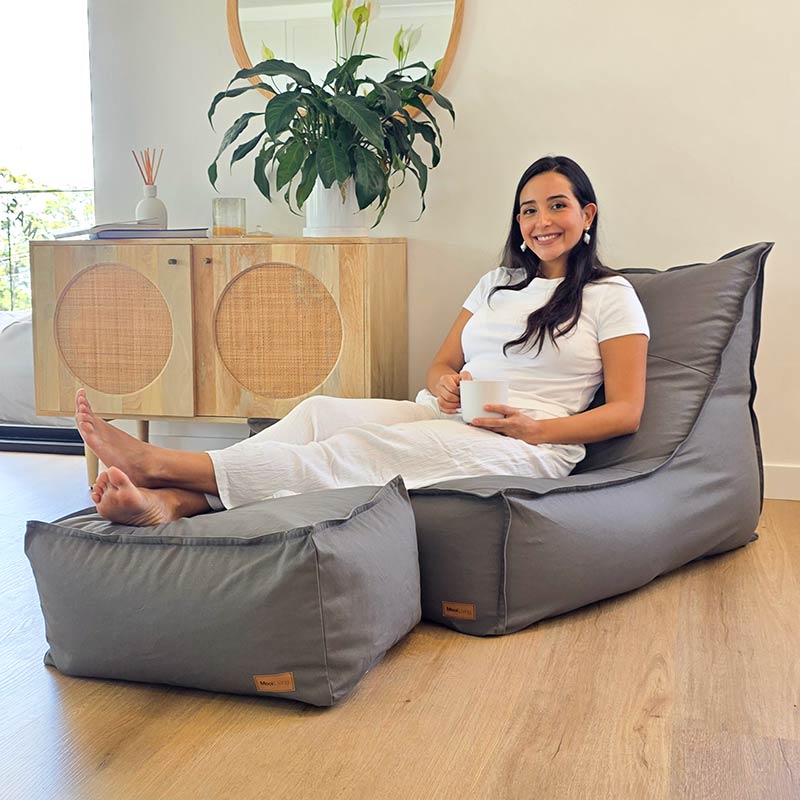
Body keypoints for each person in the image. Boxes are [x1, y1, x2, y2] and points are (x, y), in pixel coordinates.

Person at [76, 155, 649, 527]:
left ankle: (162, 466)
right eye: (529, 210)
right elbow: (440, 364)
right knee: (320, 413)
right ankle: (173, 503)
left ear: (587, 214)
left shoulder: (610, 295)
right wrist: (446, 386)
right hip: (449, 416)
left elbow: (626, 411)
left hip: (531, 444)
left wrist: (535, 430)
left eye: (557, 206)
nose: (542, 221)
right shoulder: (495, 283)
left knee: (361, 451)